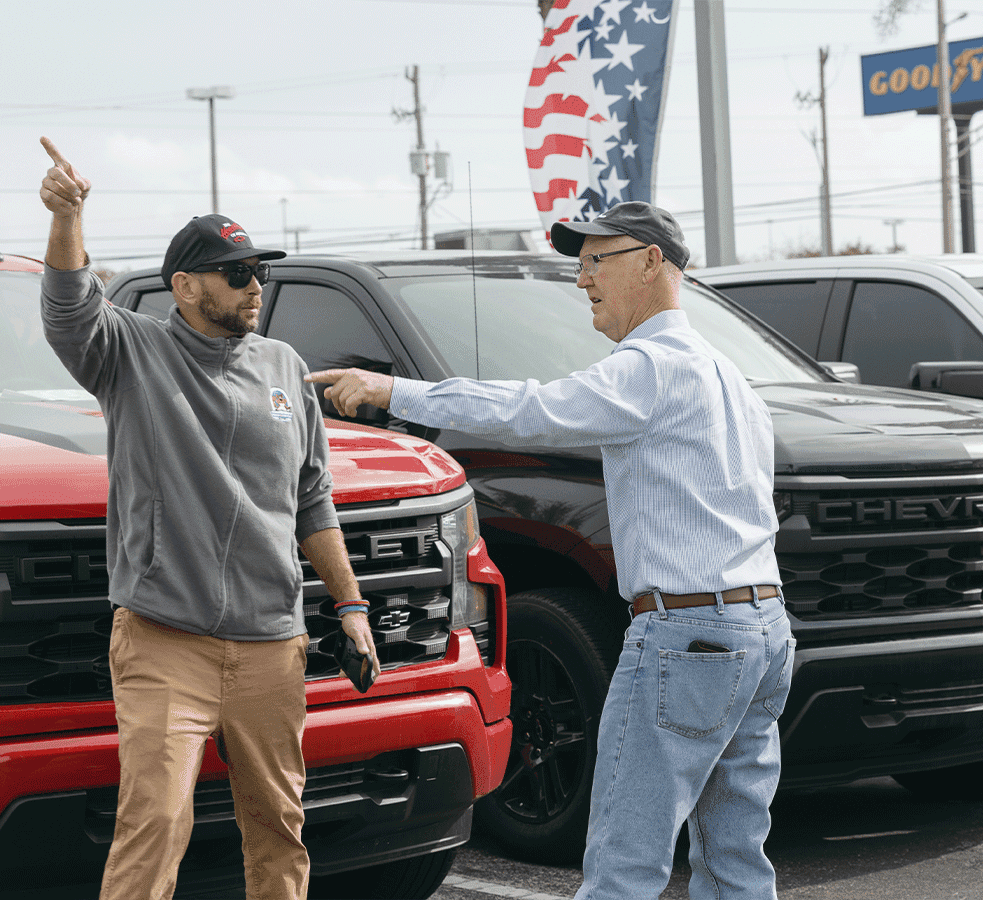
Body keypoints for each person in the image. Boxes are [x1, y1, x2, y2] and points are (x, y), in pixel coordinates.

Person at [307, 201, 795, 900]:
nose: (582, 279)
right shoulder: (730, 375)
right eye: (580, 263)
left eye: (598, 260)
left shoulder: (649, 368)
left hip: (686, 637)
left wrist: (396, 391)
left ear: (653, 262)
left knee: (624, 865)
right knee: (736, 859)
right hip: (763, 632)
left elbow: (526, 409)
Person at [37, 136, 379, 900]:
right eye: (237, 274)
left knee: (280, 829)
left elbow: (311, 498)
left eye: (259, 271)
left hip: (272, 644)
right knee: (153, 826)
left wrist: (351, 608)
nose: (255, 285)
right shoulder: (131, 353)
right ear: (185, 287)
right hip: (166, 642)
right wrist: (67, 220)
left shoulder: (285, 366)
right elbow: (69, 310)